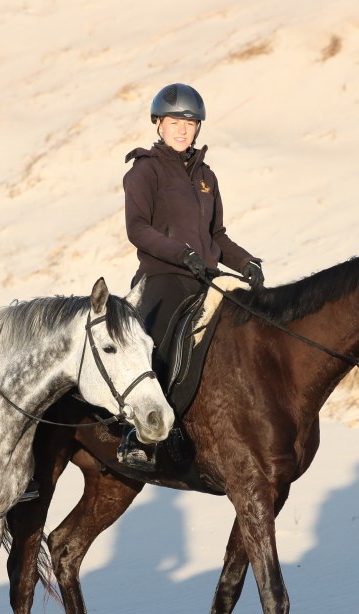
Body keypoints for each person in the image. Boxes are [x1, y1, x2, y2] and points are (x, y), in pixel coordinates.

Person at [118, 82, 266, 466]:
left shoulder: (207, 177)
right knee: (160, 342)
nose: (182, 130)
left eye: (189, 122)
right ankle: (140, 433)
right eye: (174, 122)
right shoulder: (144, 171)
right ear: (158, 124)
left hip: (206, 278)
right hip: (163, 277)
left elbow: (217, 235)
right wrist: (181, 254)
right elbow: (138, 229)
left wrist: (247, 262)